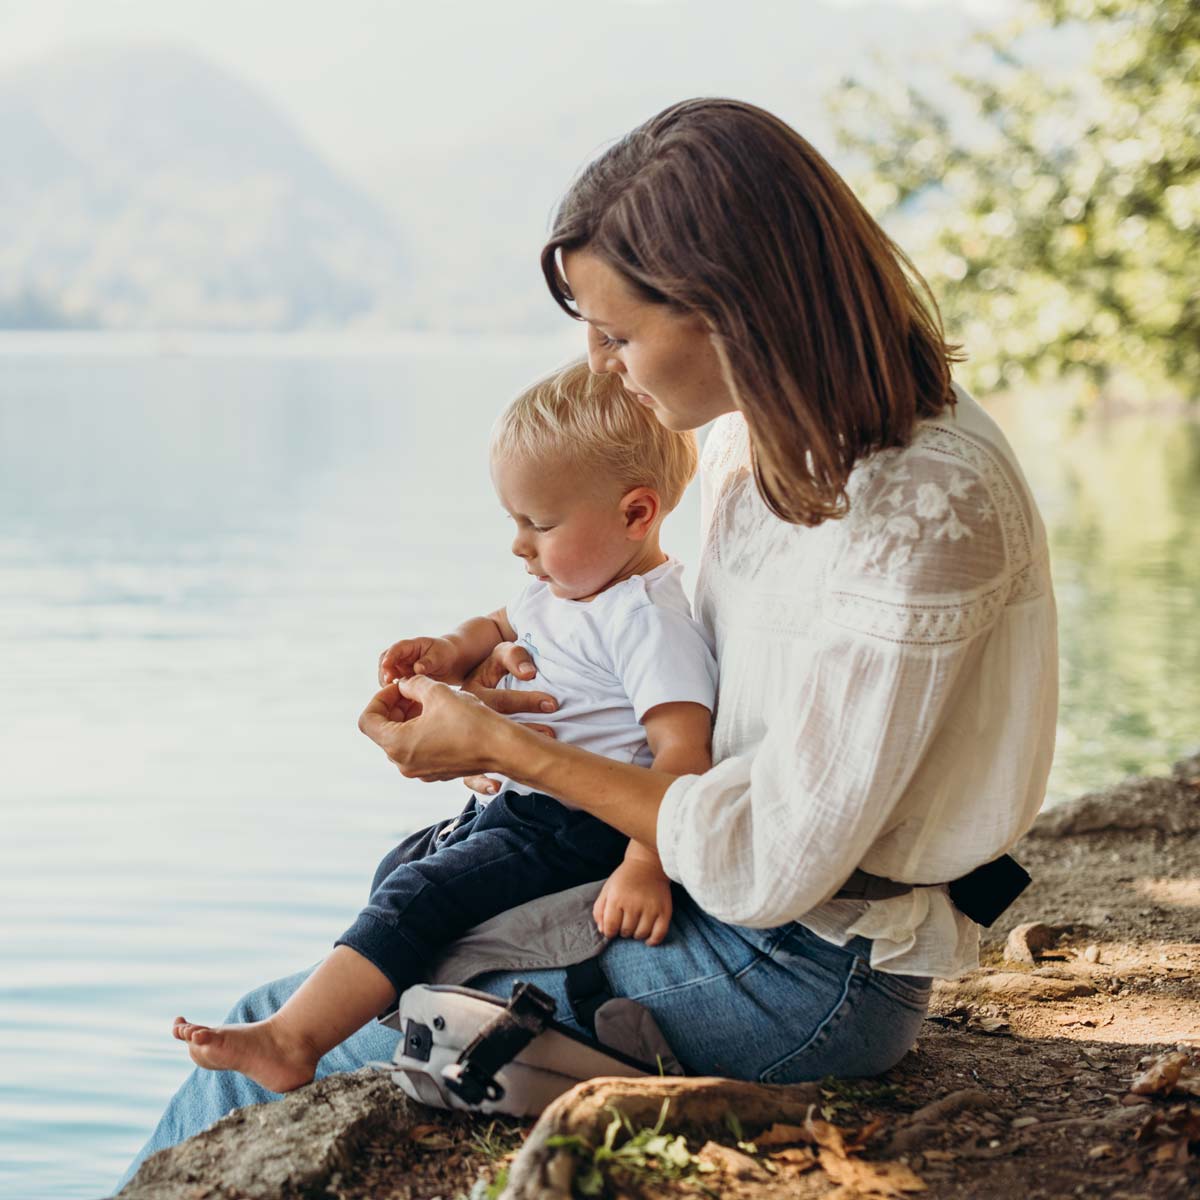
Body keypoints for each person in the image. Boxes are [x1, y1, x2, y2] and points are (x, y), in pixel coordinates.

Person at [118, 97, 1057, 1188]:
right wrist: (526, 689)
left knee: (269, 1035)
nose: (604, 366)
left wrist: (518, 755)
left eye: (618, 334)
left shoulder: (922, 508)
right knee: (383, 925)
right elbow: (702, 676)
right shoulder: (768, 447)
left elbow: (767, 857)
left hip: (805, 976)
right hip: (735, 914)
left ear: (734, 310)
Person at [169, 360, 717, 1094]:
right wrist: (452, 651)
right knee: (401, 869)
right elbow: (498, 619)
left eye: (539, 523)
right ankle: (371, 998)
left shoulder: (647, 619)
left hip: (583, 829)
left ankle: (293, 1039)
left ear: (636, 514)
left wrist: (645, 864)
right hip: (526, 807)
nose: (519, 545)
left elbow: (683, 755)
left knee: (423, 894)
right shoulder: (566, 586)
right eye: (514, 520)